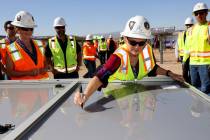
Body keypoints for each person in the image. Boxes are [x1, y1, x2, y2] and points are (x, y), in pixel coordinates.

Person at [74, 15, 184, 107]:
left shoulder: (147, 51)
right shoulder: (117, 57)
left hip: (133, 95)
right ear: (125, 38)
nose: (137, 47)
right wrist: (85, 95)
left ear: (146, 41)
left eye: (141, 43)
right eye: (133, 42)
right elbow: (100, 76)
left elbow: (152, 68)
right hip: (114, 99)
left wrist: (169, 73)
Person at [5, 11, 49, 80]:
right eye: (25, 29)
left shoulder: (40, 44)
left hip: (43, 88)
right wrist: (28, 73)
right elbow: (10, 72)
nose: (29, 32)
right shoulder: (10, 49)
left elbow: (45, 63)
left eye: (31, 29)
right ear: (17, 29)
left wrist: (45, 68)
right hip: (23, 89)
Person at [183, 2, 210, 94]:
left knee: (206, 90)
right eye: (196, 13)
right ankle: (197, 108)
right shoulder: (190, 30)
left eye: (202, 12)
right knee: (195, 89)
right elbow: (187, 49)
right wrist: (184, 63)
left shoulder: (209, 27)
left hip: (206, 65)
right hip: (193, 64)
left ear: (206, 13)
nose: (199, 15)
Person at [175, 17, 194, 83]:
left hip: (192, 56)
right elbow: (176, 46)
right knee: (184, 73)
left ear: (193, 25)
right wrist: (177, 56)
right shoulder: (181, 34)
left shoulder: (195, 34)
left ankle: (191, 85)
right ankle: (186, 84)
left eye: (190, 25)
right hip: (183, 57)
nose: (188, 26)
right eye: (187, 25)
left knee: (192, 73)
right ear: (185, 26)